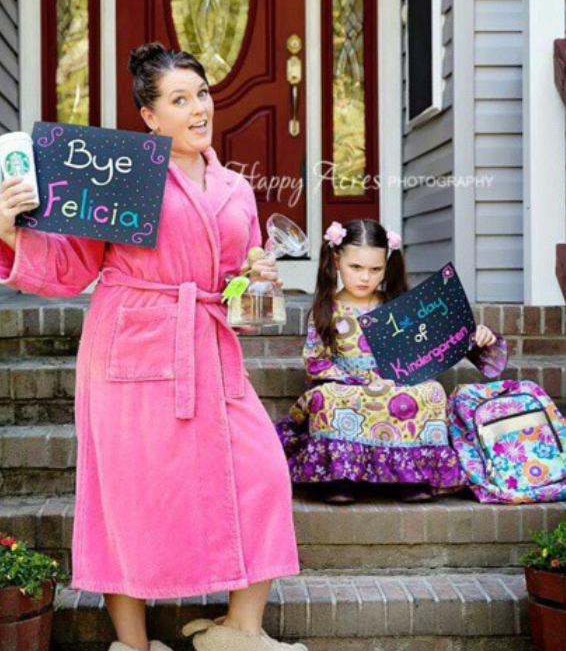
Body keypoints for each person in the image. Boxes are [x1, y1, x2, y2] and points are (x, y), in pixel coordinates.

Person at [0, 42, 307, 651]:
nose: (199, 109)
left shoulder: (235, 188)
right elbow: (69, 269)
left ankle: (240, 632)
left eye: (203, 94)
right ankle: (132, 644)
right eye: (179, 99)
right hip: (132, 342)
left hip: (211, 344)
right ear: (149, 115)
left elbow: (236, 288)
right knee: (130, 494)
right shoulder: (126, 173)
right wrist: (9, 231)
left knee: (264, 472)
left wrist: (259, 284)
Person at [275, 219, 506, 504]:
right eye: (355, 267)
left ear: (387, 265)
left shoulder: (399, 308)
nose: (365, 277)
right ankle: (340, 476)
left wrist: (475, 336)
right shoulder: (327, 310)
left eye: (376, 269)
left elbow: (437, 342)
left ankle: (410, 476)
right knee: (327, 398)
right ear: (336, 261)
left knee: (431, 391)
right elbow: (316, 363)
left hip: (397, 386)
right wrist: (359, 382)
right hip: (349, 388)